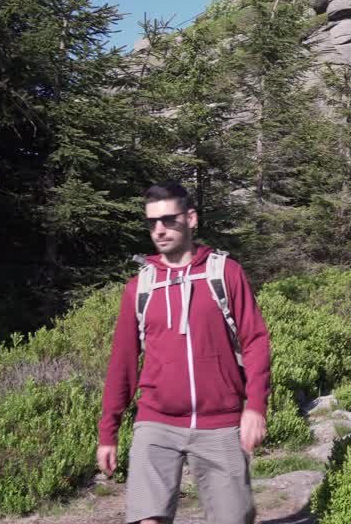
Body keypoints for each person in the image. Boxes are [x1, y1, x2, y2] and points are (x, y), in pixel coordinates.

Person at [98, 182, 270, 524]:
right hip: (156, 422)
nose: (159, 230)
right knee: (148, 519)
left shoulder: (225, 273)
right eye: (152, 223)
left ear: (190, 219)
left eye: (168, 220)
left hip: (220, 423)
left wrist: (255, 407)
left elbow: (255, 341)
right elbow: (123, 363)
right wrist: (108, 432)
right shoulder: (139, 288)